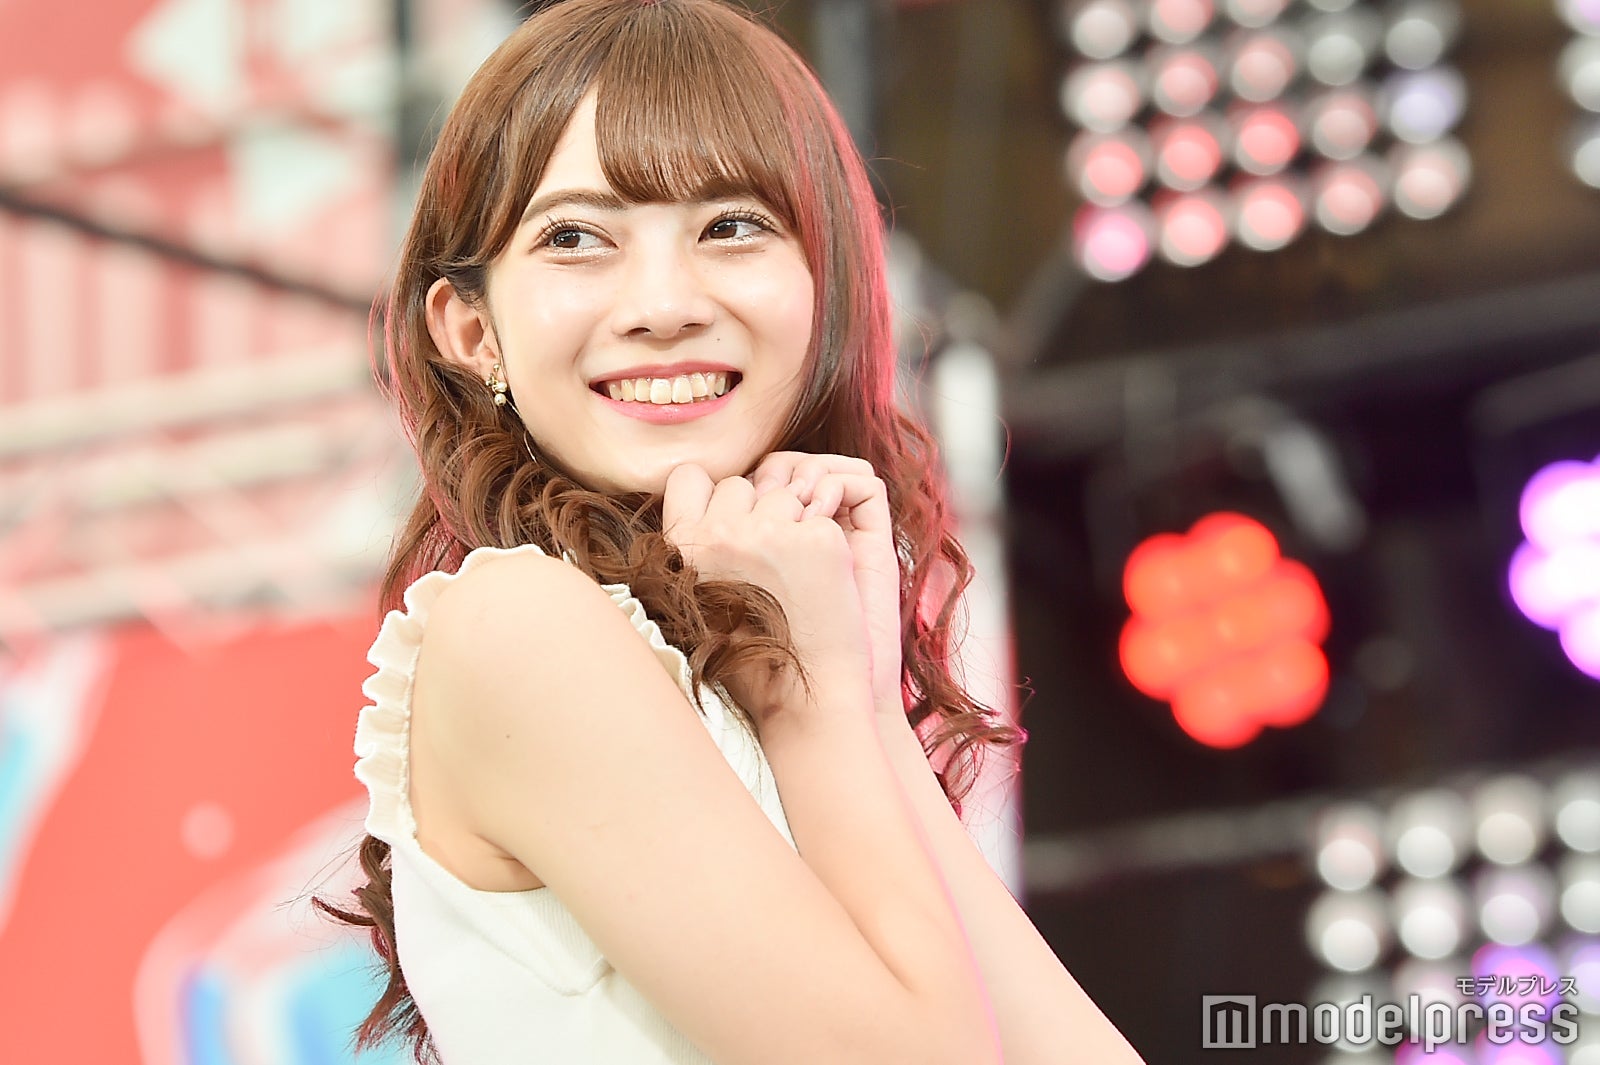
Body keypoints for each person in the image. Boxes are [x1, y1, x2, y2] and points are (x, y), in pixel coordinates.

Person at [322, 0, 1145, 1061]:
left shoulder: (776, 664)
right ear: (472, 330)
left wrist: (859, 701)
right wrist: (814, 707)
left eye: (730, 226)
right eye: (575, 238)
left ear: (825, 287)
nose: (664, 304)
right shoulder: (517, 627)